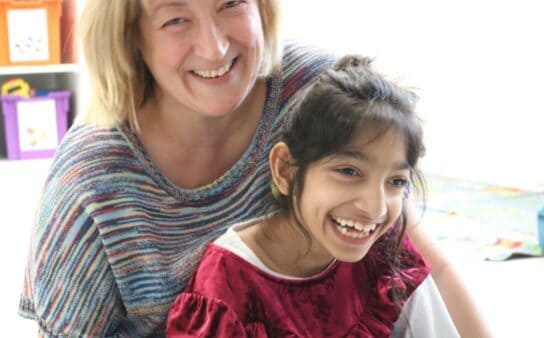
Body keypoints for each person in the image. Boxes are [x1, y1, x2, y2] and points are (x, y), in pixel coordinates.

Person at [18, 0, 491, 337]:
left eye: (230, 4)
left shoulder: (314, 90)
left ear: (261, 4)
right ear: (132, 36)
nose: (214, 46)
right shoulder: (91, 180)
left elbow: (419, 261)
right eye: (176, 19)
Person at [166, 55, 458, 337]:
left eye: (396, 181)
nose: (374, 207)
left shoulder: (384, 253)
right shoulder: (226, 288)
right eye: (348, 171)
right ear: (286, 170)